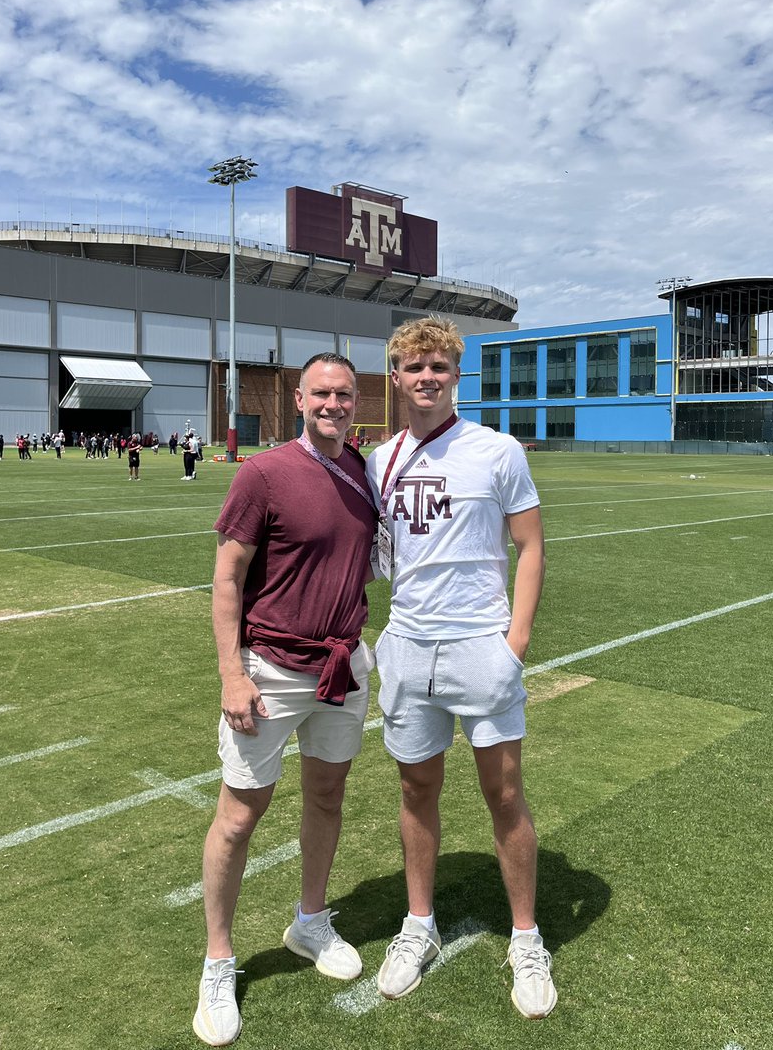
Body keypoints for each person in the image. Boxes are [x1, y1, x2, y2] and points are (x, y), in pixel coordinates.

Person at [366, 317, 555, 1019]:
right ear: (395, 376)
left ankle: (526, 937)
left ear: (456, 374)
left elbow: (530, 546)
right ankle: (418, 924)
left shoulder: (498, 451)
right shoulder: (377, 460)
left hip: (481, 643)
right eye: (414, 367)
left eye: (439, 366)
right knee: (417, 787)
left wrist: (516, 642)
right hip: (410, 647)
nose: (427, 378)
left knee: (504, 792)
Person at [193, 352, 378, 1047]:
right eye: (320, 393)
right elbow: (226, 578)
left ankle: (310, 921)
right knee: (240, 814)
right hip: (268, 668)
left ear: (355, 402)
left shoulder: (362, 470)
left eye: (344, 394)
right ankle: (218, 960)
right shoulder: (262, 473)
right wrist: (231, 674)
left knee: (327, 797)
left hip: (341, 667)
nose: (332, 403)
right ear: (298, 399)